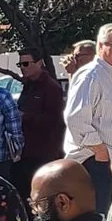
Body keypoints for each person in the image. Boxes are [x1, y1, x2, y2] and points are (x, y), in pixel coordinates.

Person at [63, 23, 112, 208]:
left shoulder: (111, 73)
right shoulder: (91, 75)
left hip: (110, 161)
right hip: (94, 162)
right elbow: (75, 118)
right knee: (98, 218)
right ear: (100, 46)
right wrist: (100, 150)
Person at [14, 48, 66, 197]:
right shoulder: (28, 86)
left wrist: (25, 117)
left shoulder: (51, 88)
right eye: (20, 65)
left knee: (40, 196)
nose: (23, 68)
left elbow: (54, 120)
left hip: (43, 153)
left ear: (39, 63)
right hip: (24, 153)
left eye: (26, 63)